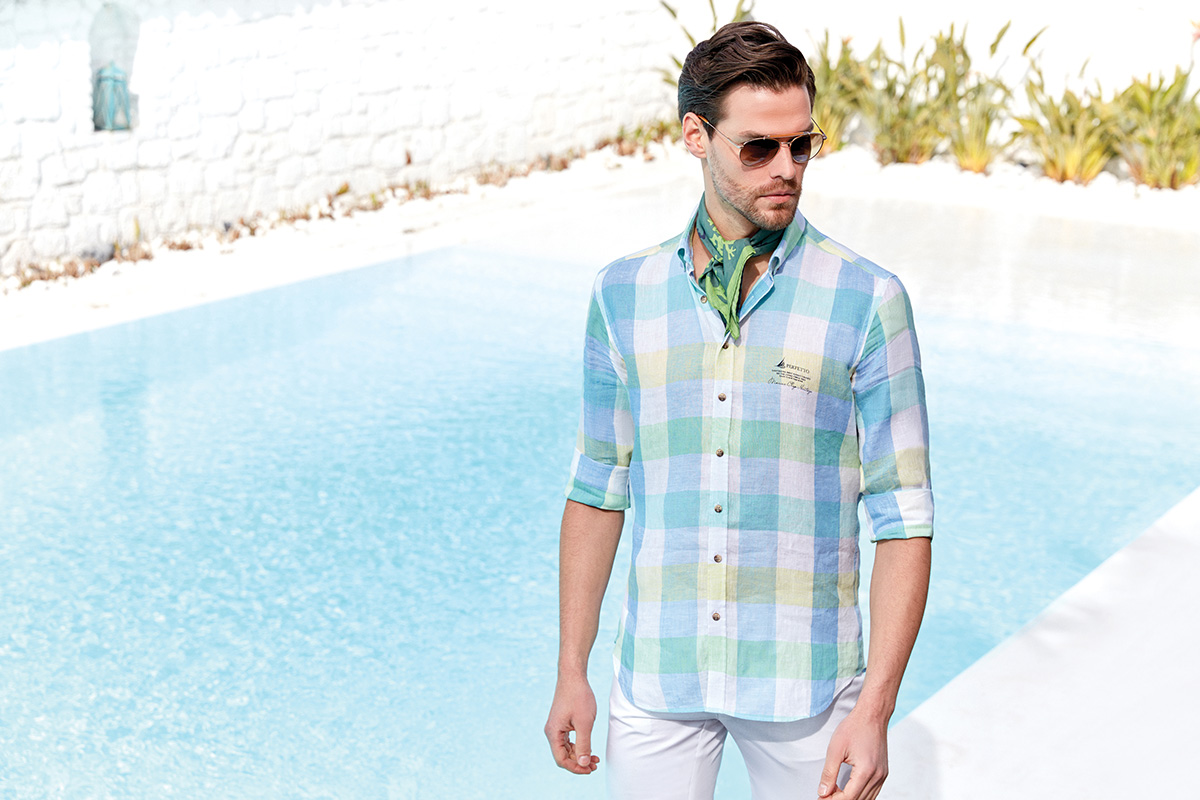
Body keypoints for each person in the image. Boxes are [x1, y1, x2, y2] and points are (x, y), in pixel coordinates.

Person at [544, 20, 933, 800]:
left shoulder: (867, 299)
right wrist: (571, 670)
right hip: (659, 675)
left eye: (802, 145)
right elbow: (598, 487)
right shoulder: (622, 294)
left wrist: (875, 708)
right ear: (696, 136)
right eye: (758, 148)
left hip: (807, 688)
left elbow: (903, 512)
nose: (786, 168)